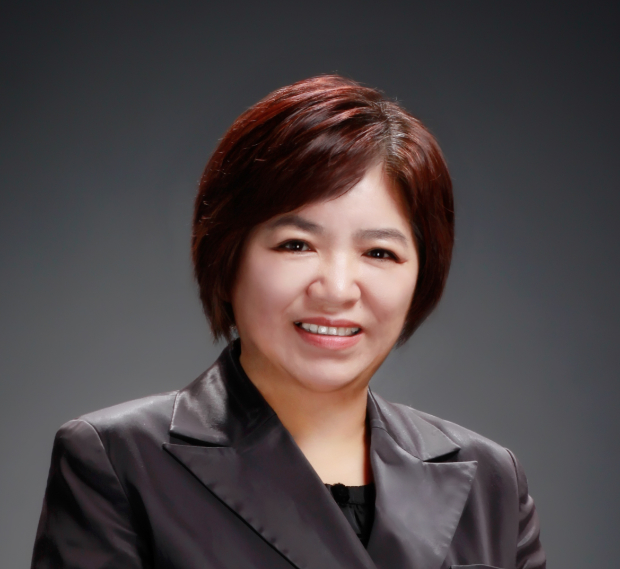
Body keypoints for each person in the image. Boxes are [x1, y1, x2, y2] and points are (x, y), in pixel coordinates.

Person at [31, 75, 546, 569]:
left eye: (379, 252)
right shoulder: (118, 461)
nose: (337, 289)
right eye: (296, 245)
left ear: (421, 277)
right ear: (227, 258)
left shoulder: (492, 483)